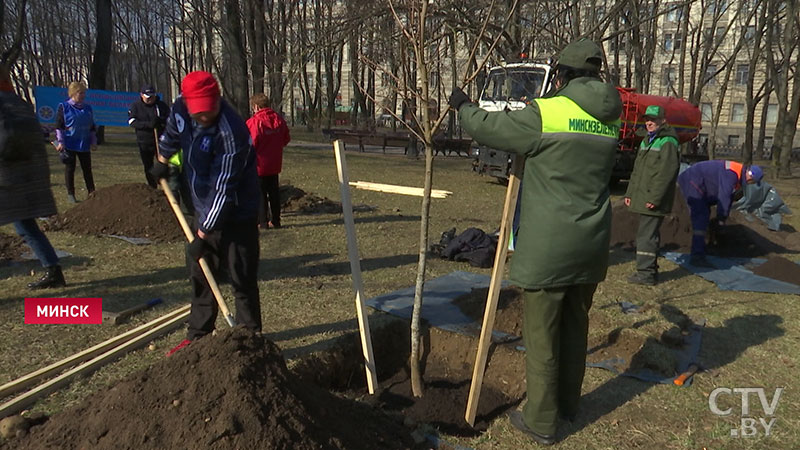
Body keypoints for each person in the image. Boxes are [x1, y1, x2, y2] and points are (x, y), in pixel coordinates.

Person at [450, 38, 622, 445]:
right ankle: (568, 404)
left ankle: (542, 421)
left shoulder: (547, 112)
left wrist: (462, 106)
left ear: (561, 74)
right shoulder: (611, 118)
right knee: (575, 327)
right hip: (592, 242)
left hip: (550, 246)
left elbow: (490, 128)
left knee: (543, 334)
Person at [150, 71, 262, 355]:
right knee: (201, 273)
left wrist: (202, 232)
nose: (204, 116)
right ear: (187, 103)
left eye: (209, 109)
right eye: (198, 111)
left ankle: (248, 339)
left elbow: (223, 189)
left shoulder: (231, 131)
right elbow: (172, 133)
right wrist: (163, 159)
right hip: (201, 205)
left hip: (238, 211)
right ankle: (199, 334)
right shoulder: (179, 108)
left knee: (241, 276)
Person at [0, 65, 66, 289]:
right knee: (25, 225)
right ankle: (54, 270)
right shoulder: (19, 103)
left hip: (7, 175)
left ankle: (54, 270)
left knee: (25, 225)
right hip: (25, 174)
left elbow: (6, 140)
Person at [623, 105, 680, 285]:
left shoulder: (668, 142)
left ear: (663, 121)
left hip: (653, 199)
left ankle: (645, 275)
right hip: (643, 195)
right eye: (647, 119)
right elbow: (637, 171)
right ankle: (649, 271)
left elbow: (666, 173)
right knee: (647, 234)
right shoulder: (647, 140)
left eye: (653, 120)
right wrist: (630, 192)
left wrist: (655, 198)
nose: (649, 123)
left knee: (646, 236)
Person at [677, 160, 763, 267]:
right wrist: (721, 218)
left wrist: (723, 217)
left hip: (700, 182)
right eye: (753, 182)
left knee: (704, 213)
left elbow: (729, 196)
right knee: (701, 216)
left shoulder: (737, 173)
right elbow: (724, 196)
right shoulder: (732, 173)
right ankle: (697, 257)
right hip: (692, 180)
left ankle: (702, 248)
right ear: (750, 176)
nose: (751, 184)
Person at [246, 93, 290, 229]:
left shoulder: (254, 122)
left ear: (256, 106)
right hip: (275, 163)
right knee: (274, 193)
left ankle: (263, 221)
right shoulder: (278, 120)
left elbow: (250, 143)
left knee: (260, 194)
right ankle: (276, 220)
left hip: (259, 164)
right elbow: (286, 139)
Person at [55, 81, 96, 203]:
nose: (82, 95)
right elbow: (59, 125)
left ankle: (92, 192)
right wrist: (60, 141)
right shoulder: (64, 106)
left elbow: (92, 126)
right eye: (80, 93)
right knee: (70, 168)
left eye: (84, 93)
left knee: (87, 169)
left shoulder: (88, 108)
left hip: (84, 142)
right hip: (69, 143)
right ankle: (71, 194)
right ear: (73, 93)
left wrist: (93, 141)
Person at [128, 85, 169, 188]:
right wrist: (148, 125)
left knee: (163, 164)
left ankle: (166, 187)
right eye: (147, 96)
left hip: (160, 141)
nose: (150, 99)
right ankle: (152, 187)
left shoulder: (161, 105)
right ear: (142, 95)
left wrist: (160, 122)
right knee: (148, 166)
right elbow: (132, 122)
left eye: (152, 96)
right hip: (144, 141)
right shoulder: (135, 106)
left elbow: (169, 119)